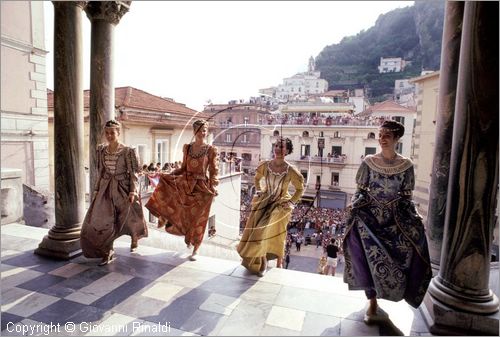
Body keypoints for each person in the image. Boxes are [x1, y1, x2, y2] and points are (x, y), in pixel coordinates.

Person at [342, 120, 432, 325]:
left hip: (395, 219)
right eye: (380, 135)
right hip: (368, 218)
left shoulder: (406, 165)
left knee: (408, 252)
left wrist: (414, 217)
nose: (382, 139)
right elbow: (360, 191)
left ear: (397, 139)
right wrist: (354, 204)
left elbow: (406, 197)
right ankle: (371, 301)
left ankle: (397, 292)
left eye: (387, 136)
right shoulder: (368, 162)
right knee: (365, 256)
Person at [145, 120, 219, 261]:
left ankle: (196, 247)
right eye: (199, 130)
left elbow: (213, 170)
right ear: (194, 131)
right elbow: (183, 168)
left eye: (204, 130)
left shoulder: (210, 150)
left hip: (201, 188)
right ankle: (164, 217)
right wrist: (169, 174)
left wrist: (214, 186)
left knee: (199, 218)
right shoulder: (188, 148)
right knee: (183, 214)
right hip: (185, 184)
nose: (202, 133)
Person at [81, 119, 148, 266]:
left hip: (123, 188)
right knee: (105, 219)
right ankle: (108, 250)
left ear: (118, 133)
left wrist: (133, 191)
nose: (109, 135)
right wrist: (97, 189)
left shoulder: (127, 151)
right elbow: (101, 172)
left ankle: (134, 237)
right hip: (106, 188)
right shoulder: (101, 150)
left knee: (129, 216)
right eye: (107, 133)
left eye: (112, 132)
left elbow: (134, 173)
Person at [237, 137, 304, 276]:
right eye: (277, 145)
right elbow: (256, 178)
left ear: (288, 151)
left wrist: (291, 202)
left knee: (263, 233)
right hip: (264, 202)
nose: (279, 149)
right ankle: (261, 261)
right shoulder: (265, 165)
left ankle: (264, 263)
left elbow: (299, 189)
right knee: (257, 233)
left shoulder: (291, 170)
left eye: (283, 147)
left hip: (279, 206)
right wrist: (259, 190)